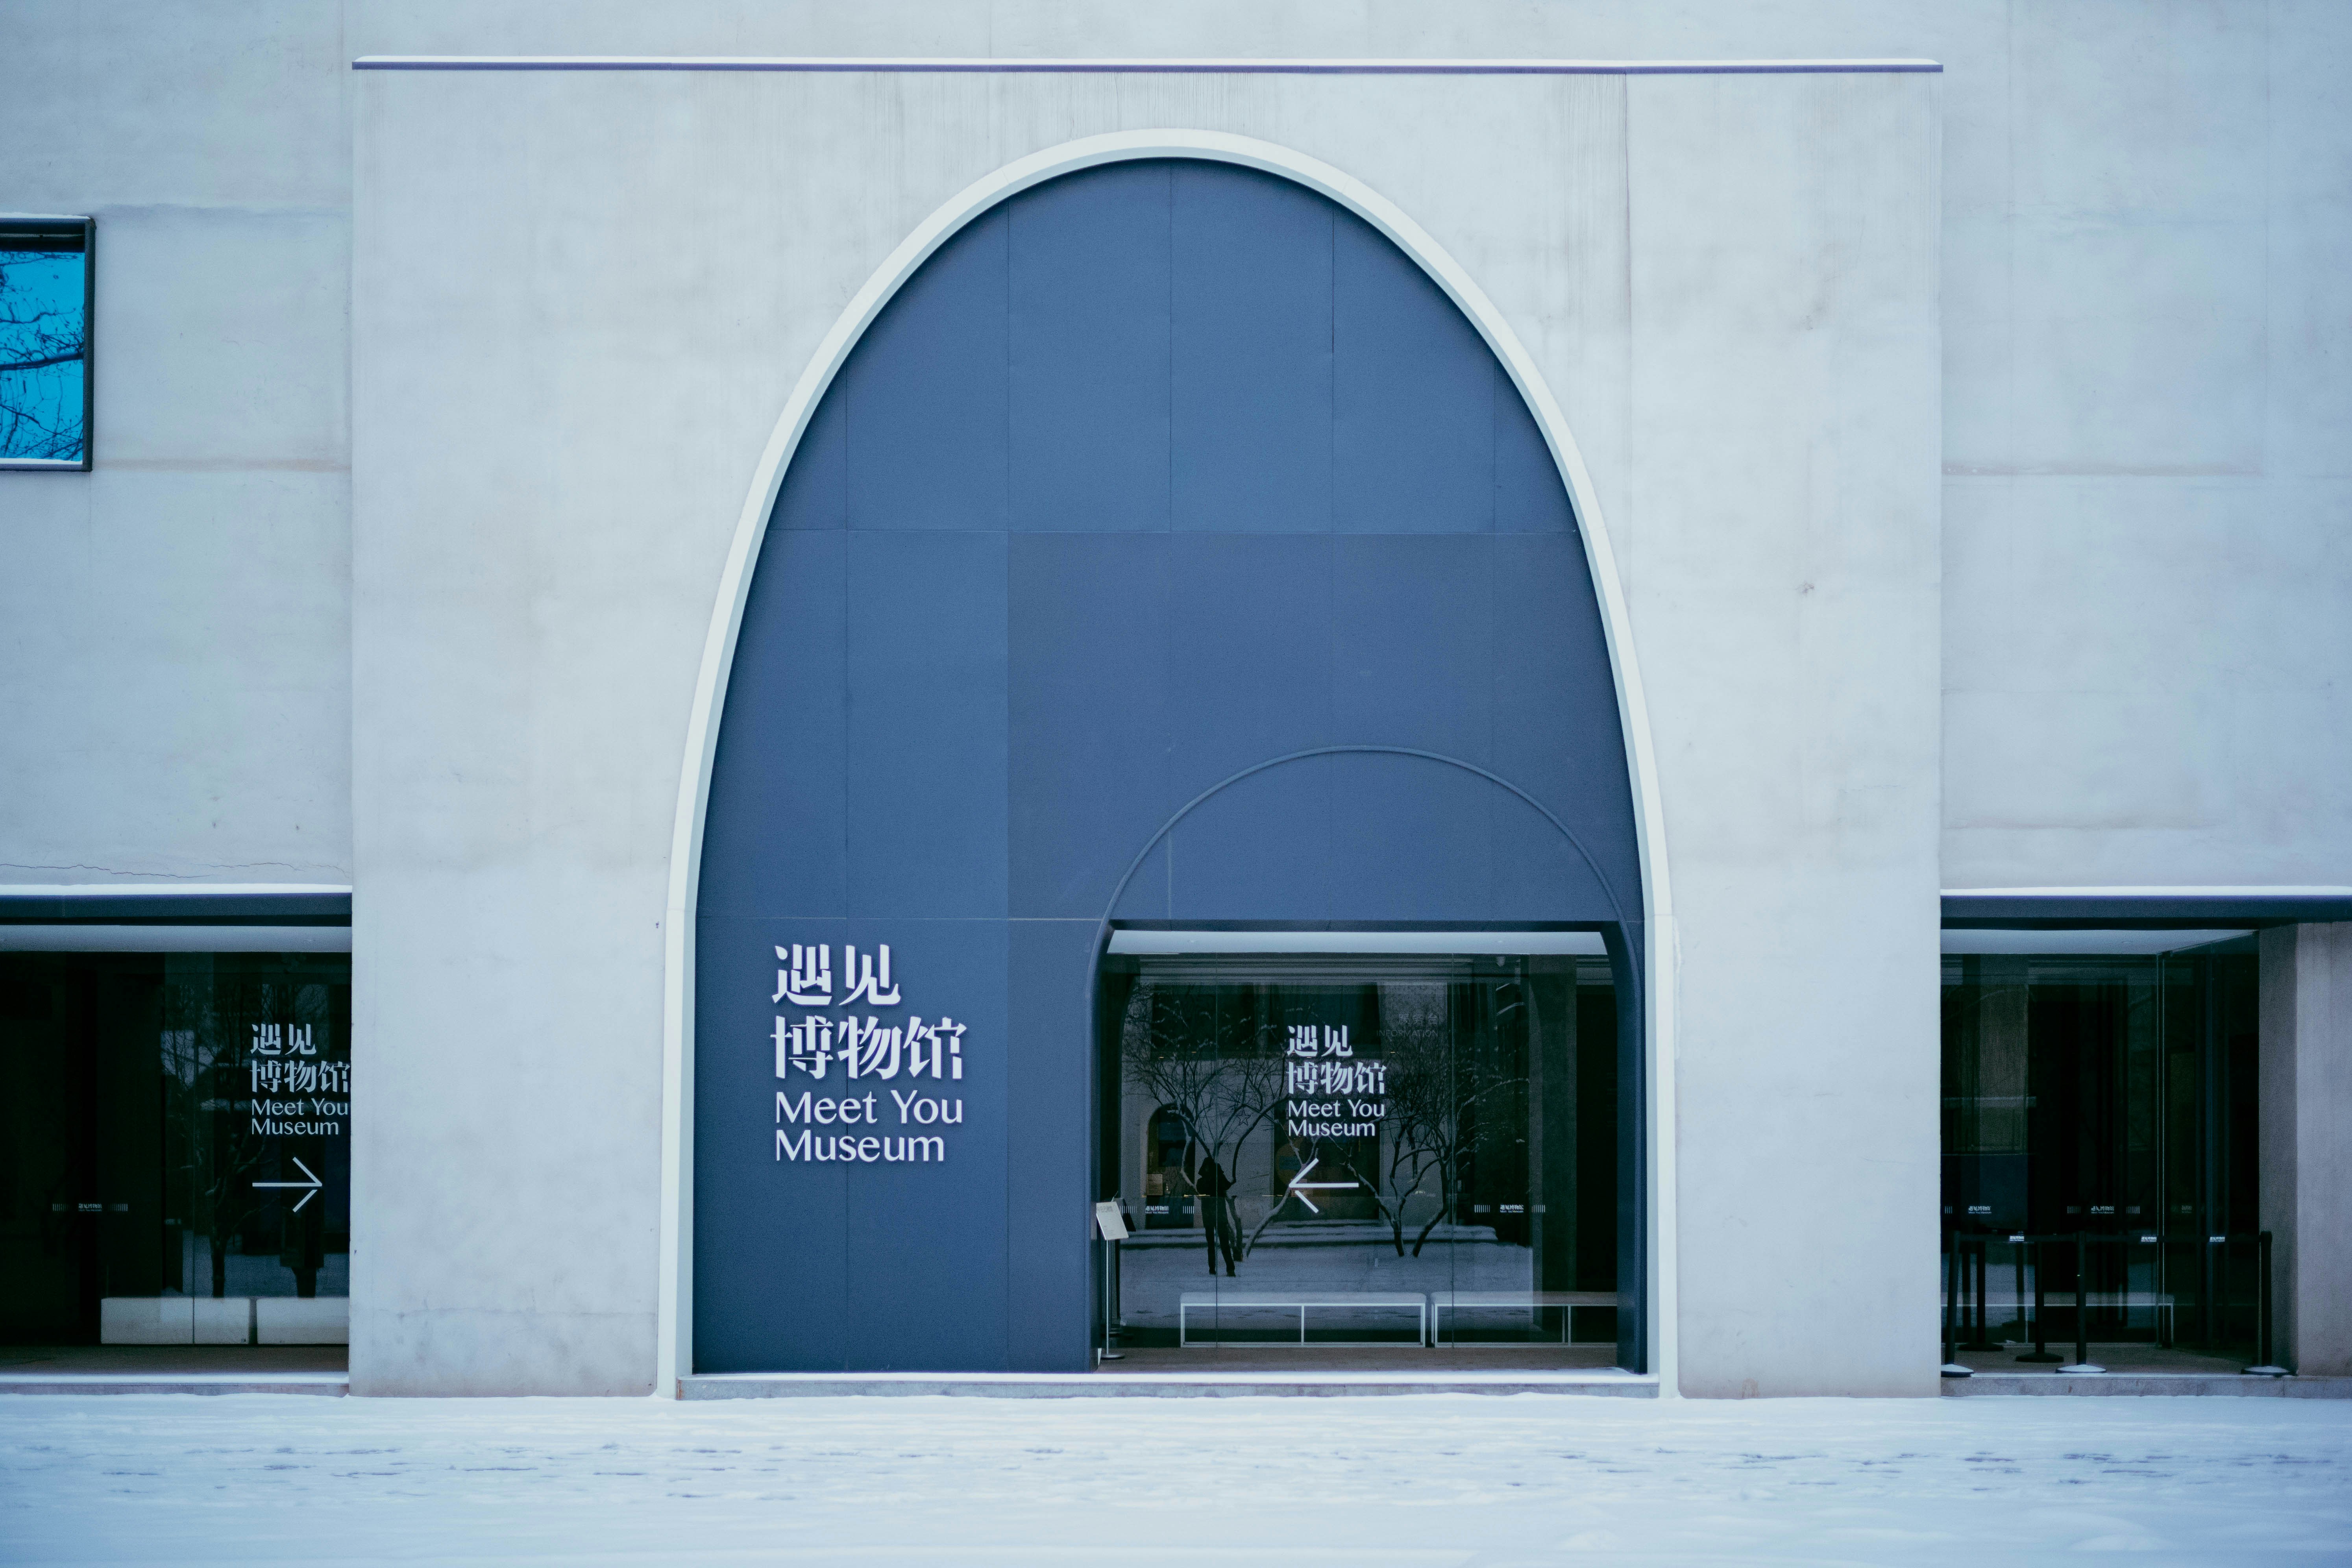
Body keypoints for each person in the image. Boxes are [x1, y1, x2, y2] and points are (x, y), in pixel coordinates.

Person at [1190, 1150, 1242, 1277]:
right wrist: (1219, 1172)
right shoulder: (1217, 1179)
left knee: (1213, 1244)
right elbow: (1226, 1186)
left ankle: (1214, 1269)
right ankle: (1228, 1269)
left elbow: (1202, 1190)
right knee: (1222, 1243)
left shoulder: (1203, 1181)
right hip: (1219, 1214)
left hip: (1210, 1215)